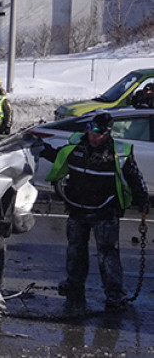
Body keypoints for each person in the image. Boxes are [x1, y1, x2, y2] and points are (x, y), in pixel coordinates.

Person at [41, 112, 149, 310]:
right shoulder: (76, 146)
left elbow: (134, 177)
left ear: (107, 134)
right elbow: (59, 157)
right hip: (77, 207)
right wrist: (41, 148)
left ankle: (114, 294)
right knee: (75, 250)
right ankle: (74, 285)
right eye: (90, 130)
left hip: (105, 211)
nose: (93, 136)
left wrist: (142, 199)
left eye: (98, 133)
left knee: (107, 255)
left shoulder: (119, 153)